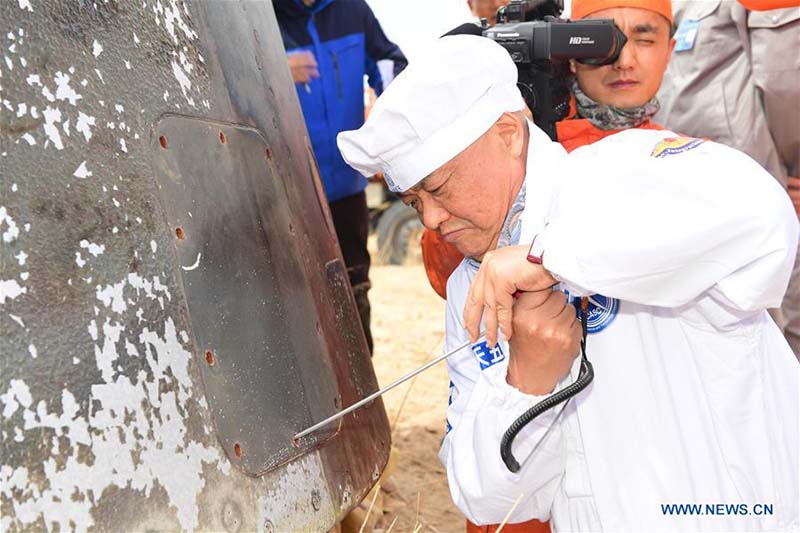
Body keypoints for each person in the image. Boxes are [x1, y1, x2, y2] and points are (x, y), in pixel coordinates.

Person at [337, 33, 799, 532]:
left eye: (438, 187)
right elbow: (481, 498)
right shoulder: (468, 289)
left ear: (509, 135)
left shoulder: (622, 167)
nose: (429, 219)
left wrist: (552, 259)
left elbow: (763, 217)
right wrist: (527, 384)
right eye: (412, 201)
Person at [421, 0, 675, 300]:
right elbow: (447, 277)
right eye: (602, 40)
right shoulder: (519, 142)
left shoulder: (688, 160)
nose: (624, 60)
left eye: (645, 40)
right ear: (569, 50)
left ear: (669, 51)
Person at [656, 0, 800, 356]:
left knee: (777, 326)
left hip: (756, 187)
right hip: (682, 191)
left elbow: (784, 81)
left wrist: (790, 167)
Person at [275, 0, 408, 354]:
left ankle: (362, 397)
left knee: (354, 290)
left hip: (347, 188)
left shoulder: (352, 10)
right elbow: (224, 72)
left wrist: (389, 112)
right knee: (293, 298)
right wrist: (275, 68)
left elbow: (390, 62)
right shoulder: (262, 14)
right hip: (286, 193)